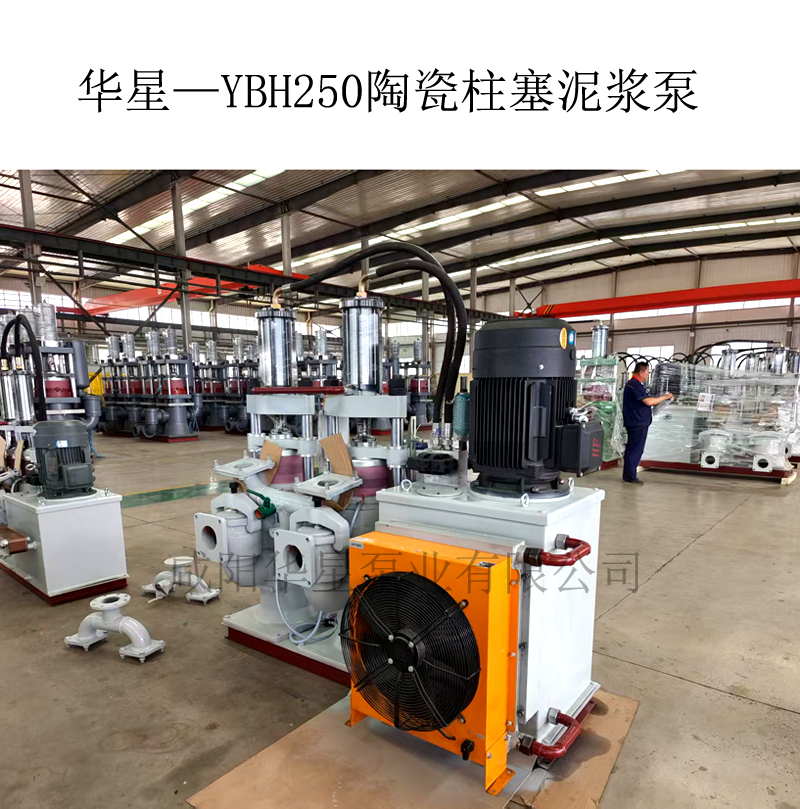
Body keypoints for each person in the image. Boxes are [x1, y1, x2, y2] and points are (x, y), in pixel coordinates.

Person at [622, 361, 674, 485]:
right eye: (647, 372)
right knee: (635, 450)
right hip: (637, 423)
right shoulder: (634, 385)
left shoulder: (637, 385)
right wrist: (664, 397)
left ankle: (629, 474)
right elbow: (648, 402)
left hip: (637, 422)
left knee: (634, 449)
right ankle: (630, 476)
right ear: (641, 372)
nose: (648, 375)